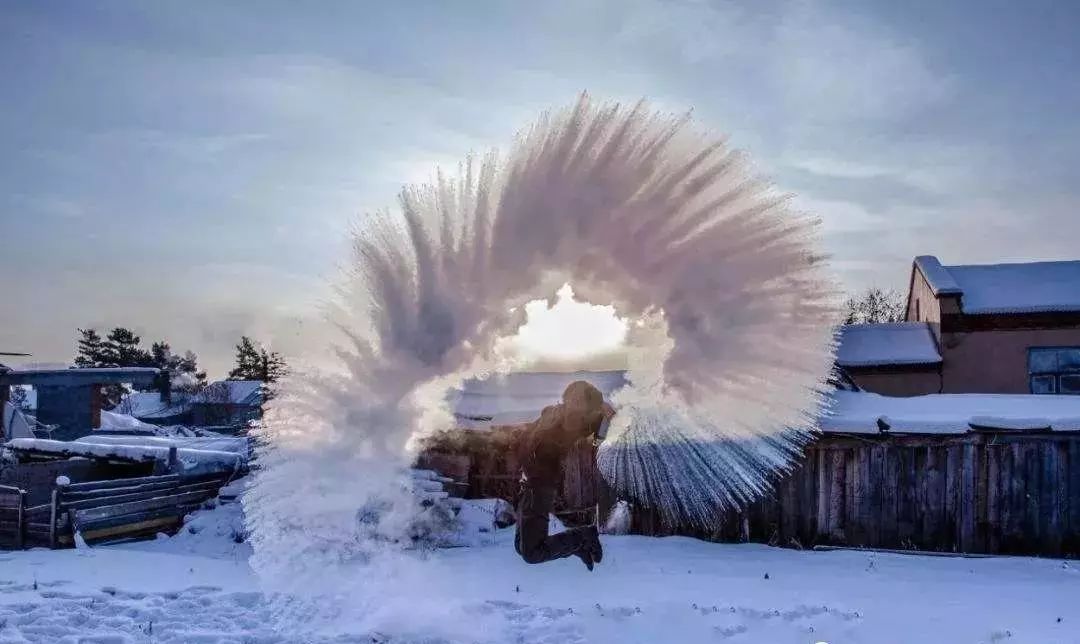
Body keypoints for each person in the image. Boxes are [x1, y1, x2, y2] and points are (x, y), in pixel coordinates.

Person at [513, 380, 614, 571]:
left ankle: (585, 537)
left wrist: (606, 417)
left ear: (587, 407)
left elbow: (598, 440)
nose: (573, 401)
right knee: (521, 547)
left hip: (539, 486)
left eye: (579, 400)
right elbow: (531, 436)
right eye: (571, 396)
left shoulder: (578, 422)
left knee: (532, 553)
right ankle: (577, 547)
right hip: (527, 486)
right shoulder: (552, 412)